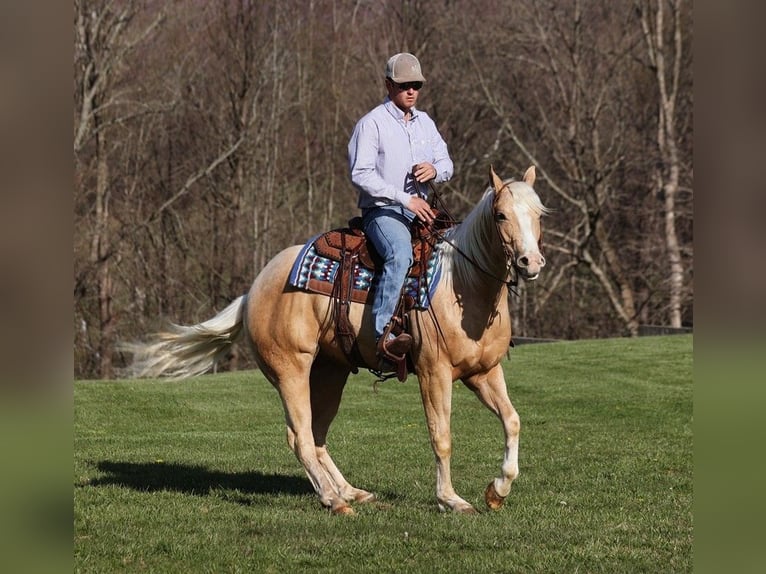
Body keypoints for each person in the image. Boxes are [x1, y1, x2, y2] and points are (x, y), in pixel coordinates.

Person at [348, 52, 454, 366]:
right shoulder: (372, 124)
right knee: (400, 254)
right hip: (383, 212)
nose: (411, 91)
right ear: (388, 84)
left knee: (457, 253)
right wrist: (404, 199)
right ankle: (384, 337)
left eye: (416, 85)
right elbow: (361, 174)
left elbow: (447, 162)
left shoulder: (426, 124)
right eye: (404, 85)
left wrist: (434, 171)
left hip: (423, 211)